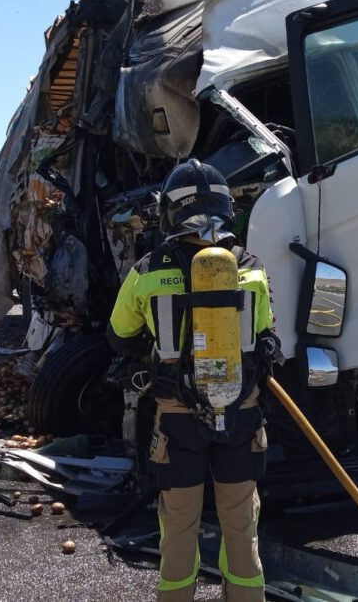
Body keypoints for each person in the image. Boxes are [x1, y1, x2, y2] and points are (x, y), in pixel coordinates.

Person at [108, 159, 277, 602]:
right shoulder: (250, 267)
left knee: (179, 525)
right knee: (240, 524)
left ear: (170, 210)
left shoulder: (148, 270)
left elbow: (119, 336)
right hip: (240, 416)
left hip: (178, 419)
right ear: (225, 208)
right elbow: (265, 333)